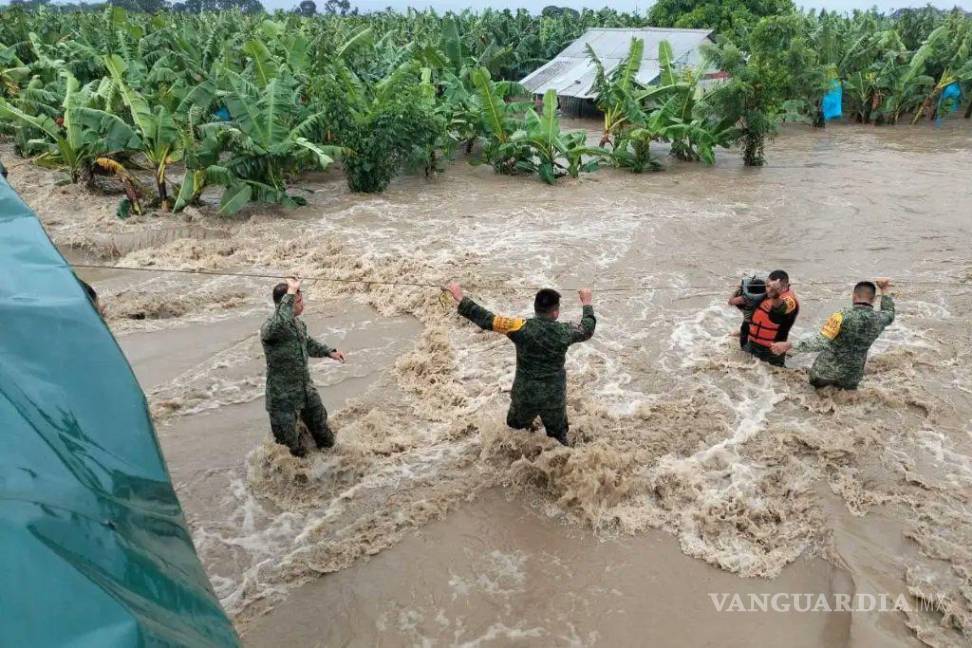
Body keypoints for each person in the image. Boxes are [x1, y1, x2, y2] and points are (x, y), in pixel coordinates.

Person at [445, 282, 596, 446]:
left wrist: (460, 297)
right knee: (559, 439)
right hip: (553, 397)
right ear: (555, 313)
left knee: (515, 429)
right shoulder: (565, 331)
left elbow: (487, 319)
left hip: (525, 393)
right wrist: (587, 302)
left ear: (535, 308)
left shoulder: (518, 327)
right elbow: (586, 329)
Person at [261, 276, 346, 457]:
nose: (302, 304)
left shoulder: (298, 324)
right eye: (298, 301)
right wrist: (291, 292)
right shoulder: (271, 328)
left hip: (305, 390)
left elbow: (306, 343)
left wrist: (328, 352)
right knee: (290, 451)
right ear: (286, 304)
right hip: (283, 399)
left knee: (324, 435)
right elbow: (280, 322)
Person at [770, 278, 895, 390]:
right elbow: (889, 312)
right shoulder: (880, 319)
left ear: (854, 296)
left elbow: (821, 341)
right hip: (851, 379)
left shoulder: (841, 315)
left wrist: (789, 345)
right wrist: (884, 289)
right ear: (873, 299)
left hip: (824, 375)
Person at [742, 269, 799, 367]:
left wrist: (775, 293)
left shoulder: (790, 301)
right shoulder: (766, 294)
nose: (768, 288)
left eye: (773, 286)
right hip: (752, 344)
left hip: (773, 350)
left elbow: (780, 309)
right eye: (768, 285)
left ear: (784, 286)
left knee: (774, 377)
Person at [728, 274, 767, 348]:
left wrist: (737, 290)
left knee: (744, 334)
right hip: (763, 322)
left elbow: (730, 302)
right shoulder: (768, 296)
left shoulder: (745, 299)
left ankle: (744, 349)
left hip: (748, 322)